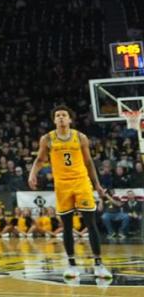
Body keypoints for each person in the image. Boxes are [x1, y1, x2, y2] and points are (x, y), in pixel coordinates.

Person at [28, 105, 111, 280]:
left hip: (81, 183)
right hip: (62, 185)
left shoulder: (80, 137)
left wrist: (97, 185)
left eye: (64, 115)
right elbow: (40, 159)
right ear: (54, 120)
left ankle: (99, 264)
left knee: (91, 223)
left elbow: (89, 162)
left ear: (70, 119)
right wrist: (32, 174)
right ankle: (72, 265)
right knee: (66, 226)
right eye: (57, 115)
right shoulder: (47, 139)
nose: (61, 118)